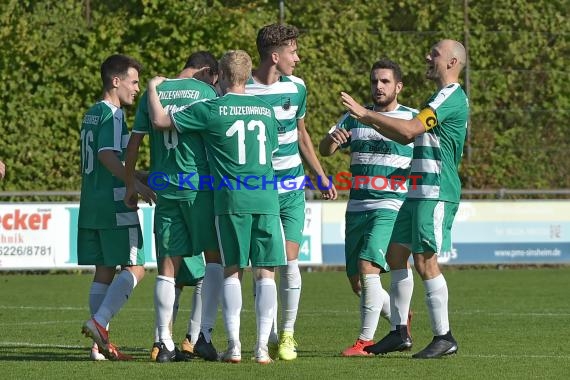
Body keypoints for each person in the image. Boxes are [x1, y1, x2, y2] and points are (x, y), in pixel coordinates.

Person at [148, 49, 286, 364]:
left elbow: (159, 121)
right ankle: (262, 349)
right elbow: (271, 150)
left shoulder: (211, 109)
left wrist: (154, 88)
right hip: (266, 196)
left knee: (232, 271)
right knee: (266, 274)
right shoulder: (266, 110)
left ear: (221, 77)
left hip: (231, 200)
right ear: (249, 77)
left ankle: (234, 346)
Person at [341, 39, 469, 359]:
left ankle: (444, 336)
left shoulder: (451, 97)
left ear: (452, 63)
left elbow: (410, 130)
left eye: (435, 54)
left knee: (425, 261)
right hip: (416, 192)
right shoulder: (437, 97)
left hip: (435, 190)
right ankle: (399, 331)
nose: (428, 56)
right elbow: (404, 133)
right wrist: (369, 119)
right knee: (396, 257)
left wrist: (366, 115)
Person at [245, 22, 337, 361]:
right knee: (264, 266)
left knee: (291, 261)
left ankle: (287, 334)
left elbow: (302, 135)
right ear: (274, 55)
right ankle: (266, 332)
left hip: (292, 188)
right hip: (260, 191)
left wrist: (320, 175)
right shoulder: (241, 90)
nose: (297, 58)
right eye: (293, 51)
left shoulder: (297, 87)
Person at [124, 52, 221, 363]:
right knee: (213, 261)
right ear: (208, 72)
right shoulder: (207, 92)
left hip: (165, 189)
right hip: (200, 188)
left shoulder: (156, 92)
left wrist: (130, 183)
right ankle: (201, 336)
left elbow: (134, 144)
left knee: (167, 268)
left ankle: (163, 343)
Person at [319, 59, 416, 356]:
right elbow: (324, 148)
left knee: (368, 266)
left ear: (398, 86)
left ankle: (365, 342)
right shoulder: (354, 117)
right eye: (375, 81)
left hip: (391, 205)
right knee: (358, 283)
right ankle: (401, 320)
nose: (378, 86)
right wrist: (331, 141)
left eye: (385, 81)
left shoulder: (411, 119)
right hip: (357, 206)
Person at [79, 54, 155, 361]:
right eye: (134, 81)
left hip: (91, 203)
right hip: (114, 204)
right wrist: (133, 185)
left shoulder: (91, 113)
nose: (137, 89)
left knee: (105, 270)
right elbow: (107, 156)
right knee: (137, 267)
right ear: (116, 81)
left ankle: (98, 347)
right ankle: (99, 324)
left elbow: (108, 158)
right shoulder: (113, 114)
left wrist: (136, 174)